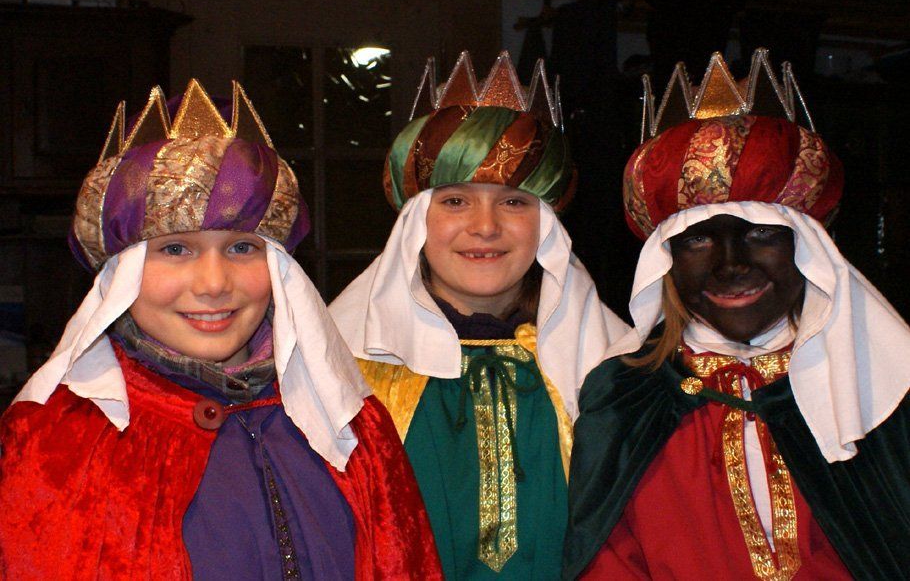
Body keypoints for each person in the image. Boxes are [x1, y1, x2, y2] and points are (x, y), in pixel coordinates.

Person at [0, 80, 442, 580]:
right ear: (121, 275)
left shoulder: (353, 424)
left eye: (241, 248)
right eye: (175, 249)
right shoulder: (56, 441)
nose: (214, 284)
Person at [562, 49, 910, 580]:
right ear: (666, 259)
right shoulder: (625, 396)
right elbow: (607, 559)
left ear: (807, 246)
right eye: (698, 239)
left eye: (762, 233)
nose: (731, 265)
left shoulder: (880, 386)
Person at [329, 51, 630, 579]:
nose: (485, 227)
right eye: (455, 201)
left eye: (514, 202)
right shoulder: (347, 372)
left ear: (547, 224)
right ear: (415, 220)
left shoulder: (611, 371)